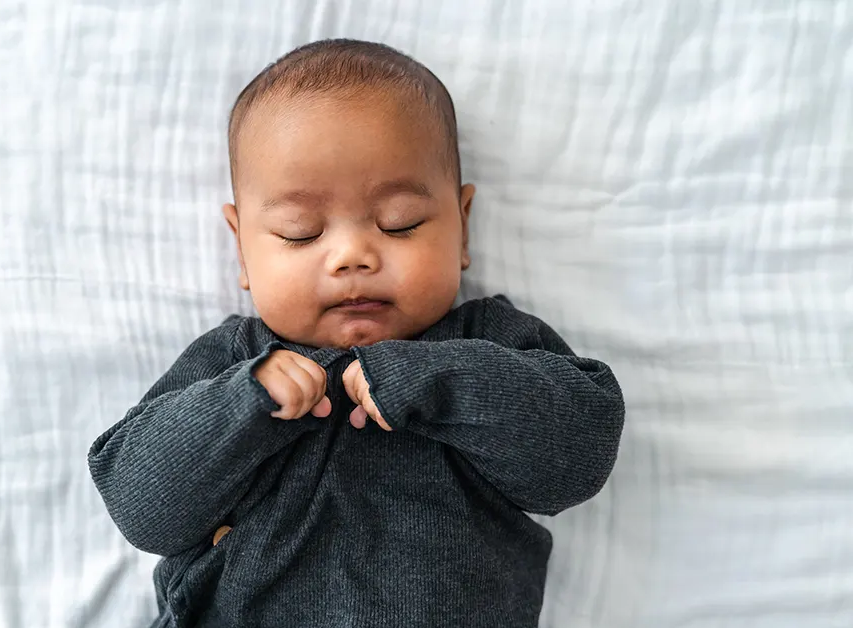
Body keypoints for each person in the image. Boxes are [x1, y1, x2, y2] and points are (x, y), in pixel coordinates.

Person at [88, 38, 625, 627]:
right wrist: (242, 403)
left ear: (462, 229)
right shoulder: (233, 361)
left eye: (400, 224)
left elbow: (577, 458)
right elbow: (142, 509)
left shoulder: (490, 345)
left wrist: (436, 382)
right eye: (300, 232)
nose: (351, 255)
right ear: (242, 247)